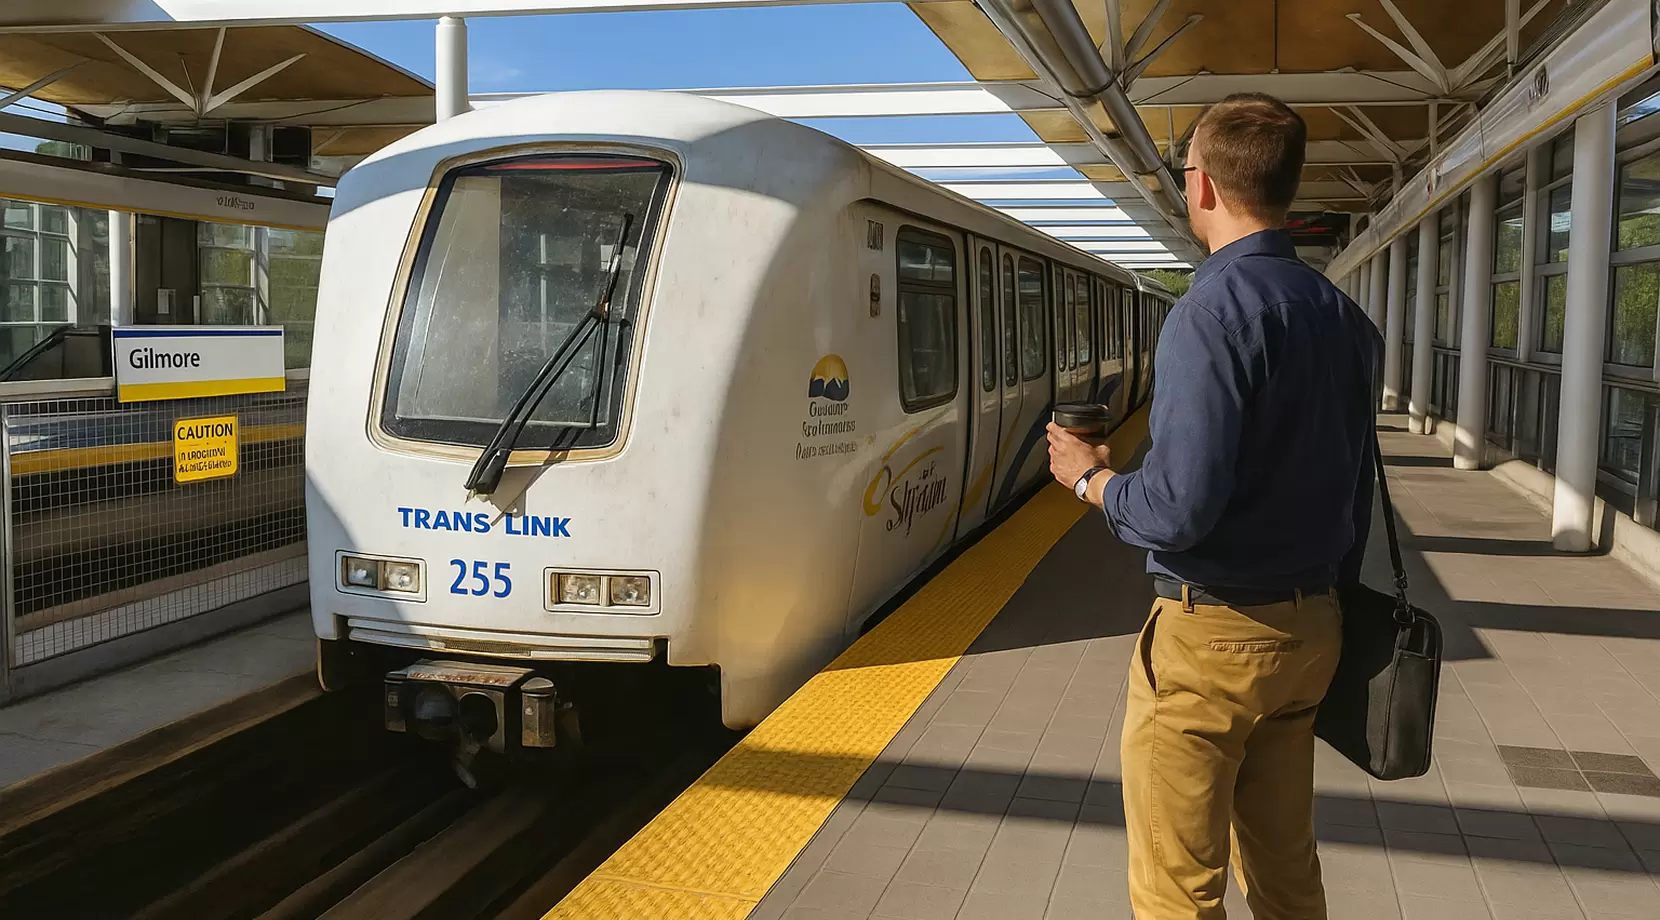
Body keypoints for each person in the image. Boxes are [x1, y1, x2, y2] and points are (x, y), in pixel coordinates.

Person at [1046, 93, 1381, 920]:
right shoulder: (1345, 318)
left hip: (1213, 642)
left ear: (1202, 186)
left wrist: (1092, 479)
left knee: (1177, 889)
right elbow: (1357, 488)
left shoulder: (1209, 313)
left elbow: (1177, 510)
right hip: (1313, 629)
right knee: (1284, 868)